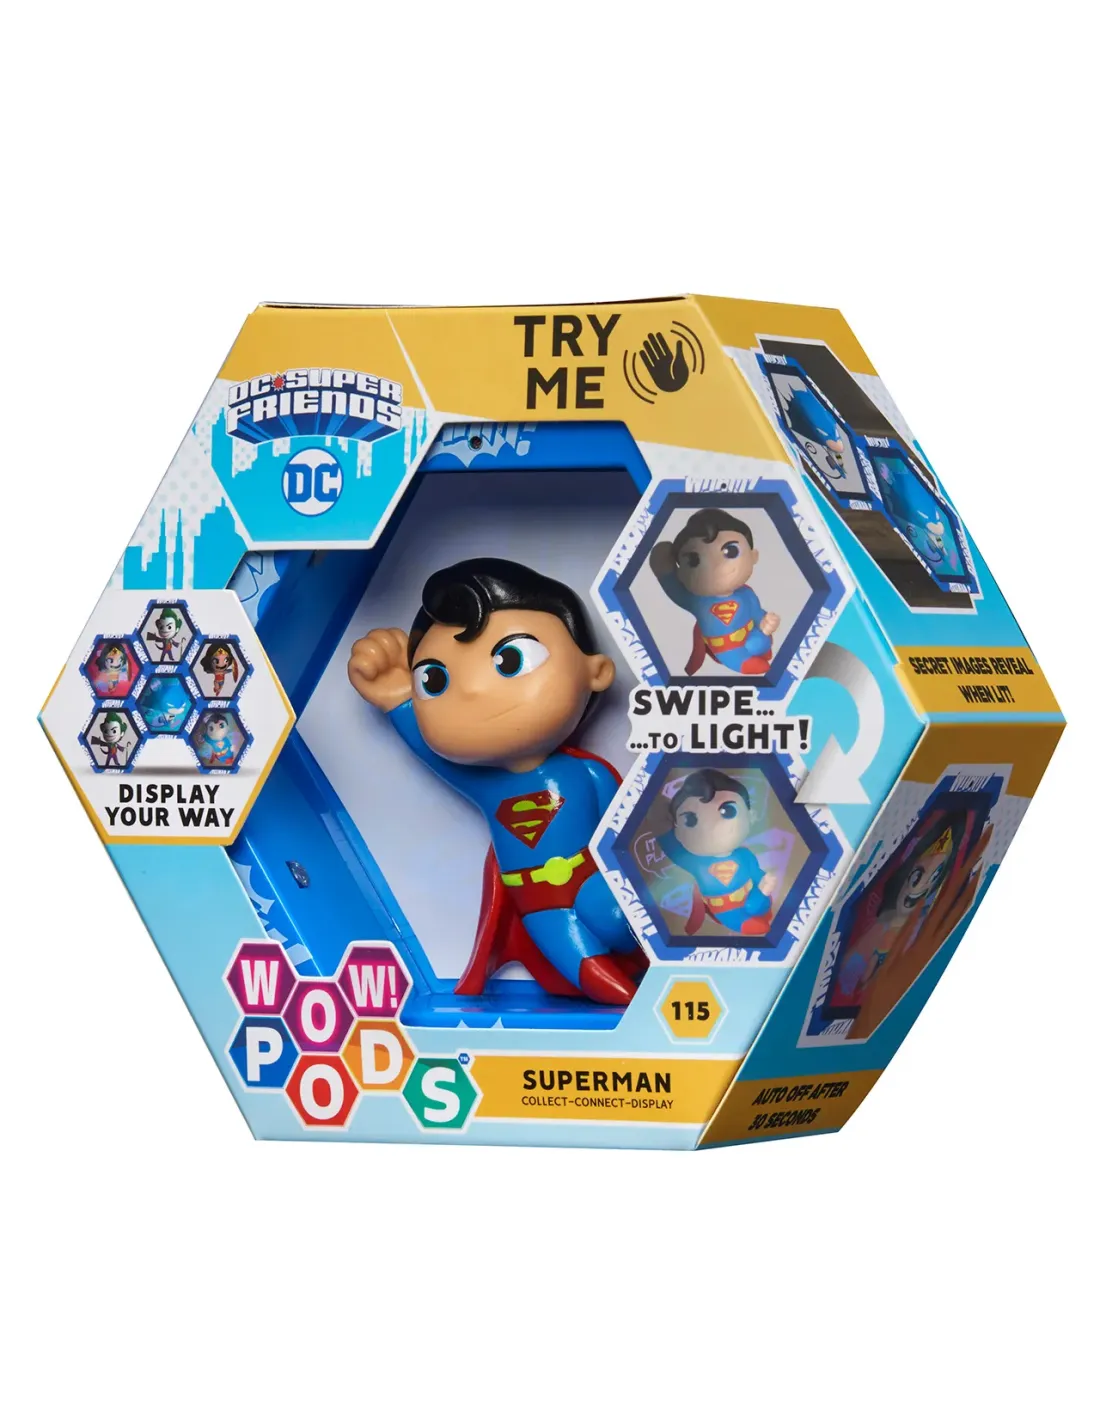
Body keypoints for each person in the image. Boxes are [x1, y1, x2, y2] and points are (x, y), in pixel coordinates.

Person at [348, 557, 646, 1006]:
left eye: (511, 659)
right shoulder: (489, 786)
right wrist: (397, 698)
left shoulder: (586, 774)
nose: (473, 690)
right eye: (435, 679)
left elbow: (632, 837)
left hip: (595, 883)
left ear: (597, 671)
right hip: (537, 903)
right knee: (584, 966)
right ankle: (634, 1007)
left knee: (619, 922)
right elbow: (435, 756)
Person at [649, 510, 780, 676]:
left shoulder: (746, 594)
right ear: (680, 574)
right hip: (726, 650)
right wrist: (665, 571)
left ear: (753, 556)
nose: (714, 566)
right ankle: (748, 656)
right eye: (694, 560)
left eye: (730, 551)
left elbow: (756, 613)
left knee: (759, 643)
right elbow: (674, 589)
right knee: (755, 658)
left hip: (752, 636)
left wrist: (766, 622)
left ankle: (761, 648)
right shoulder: (696, 601)